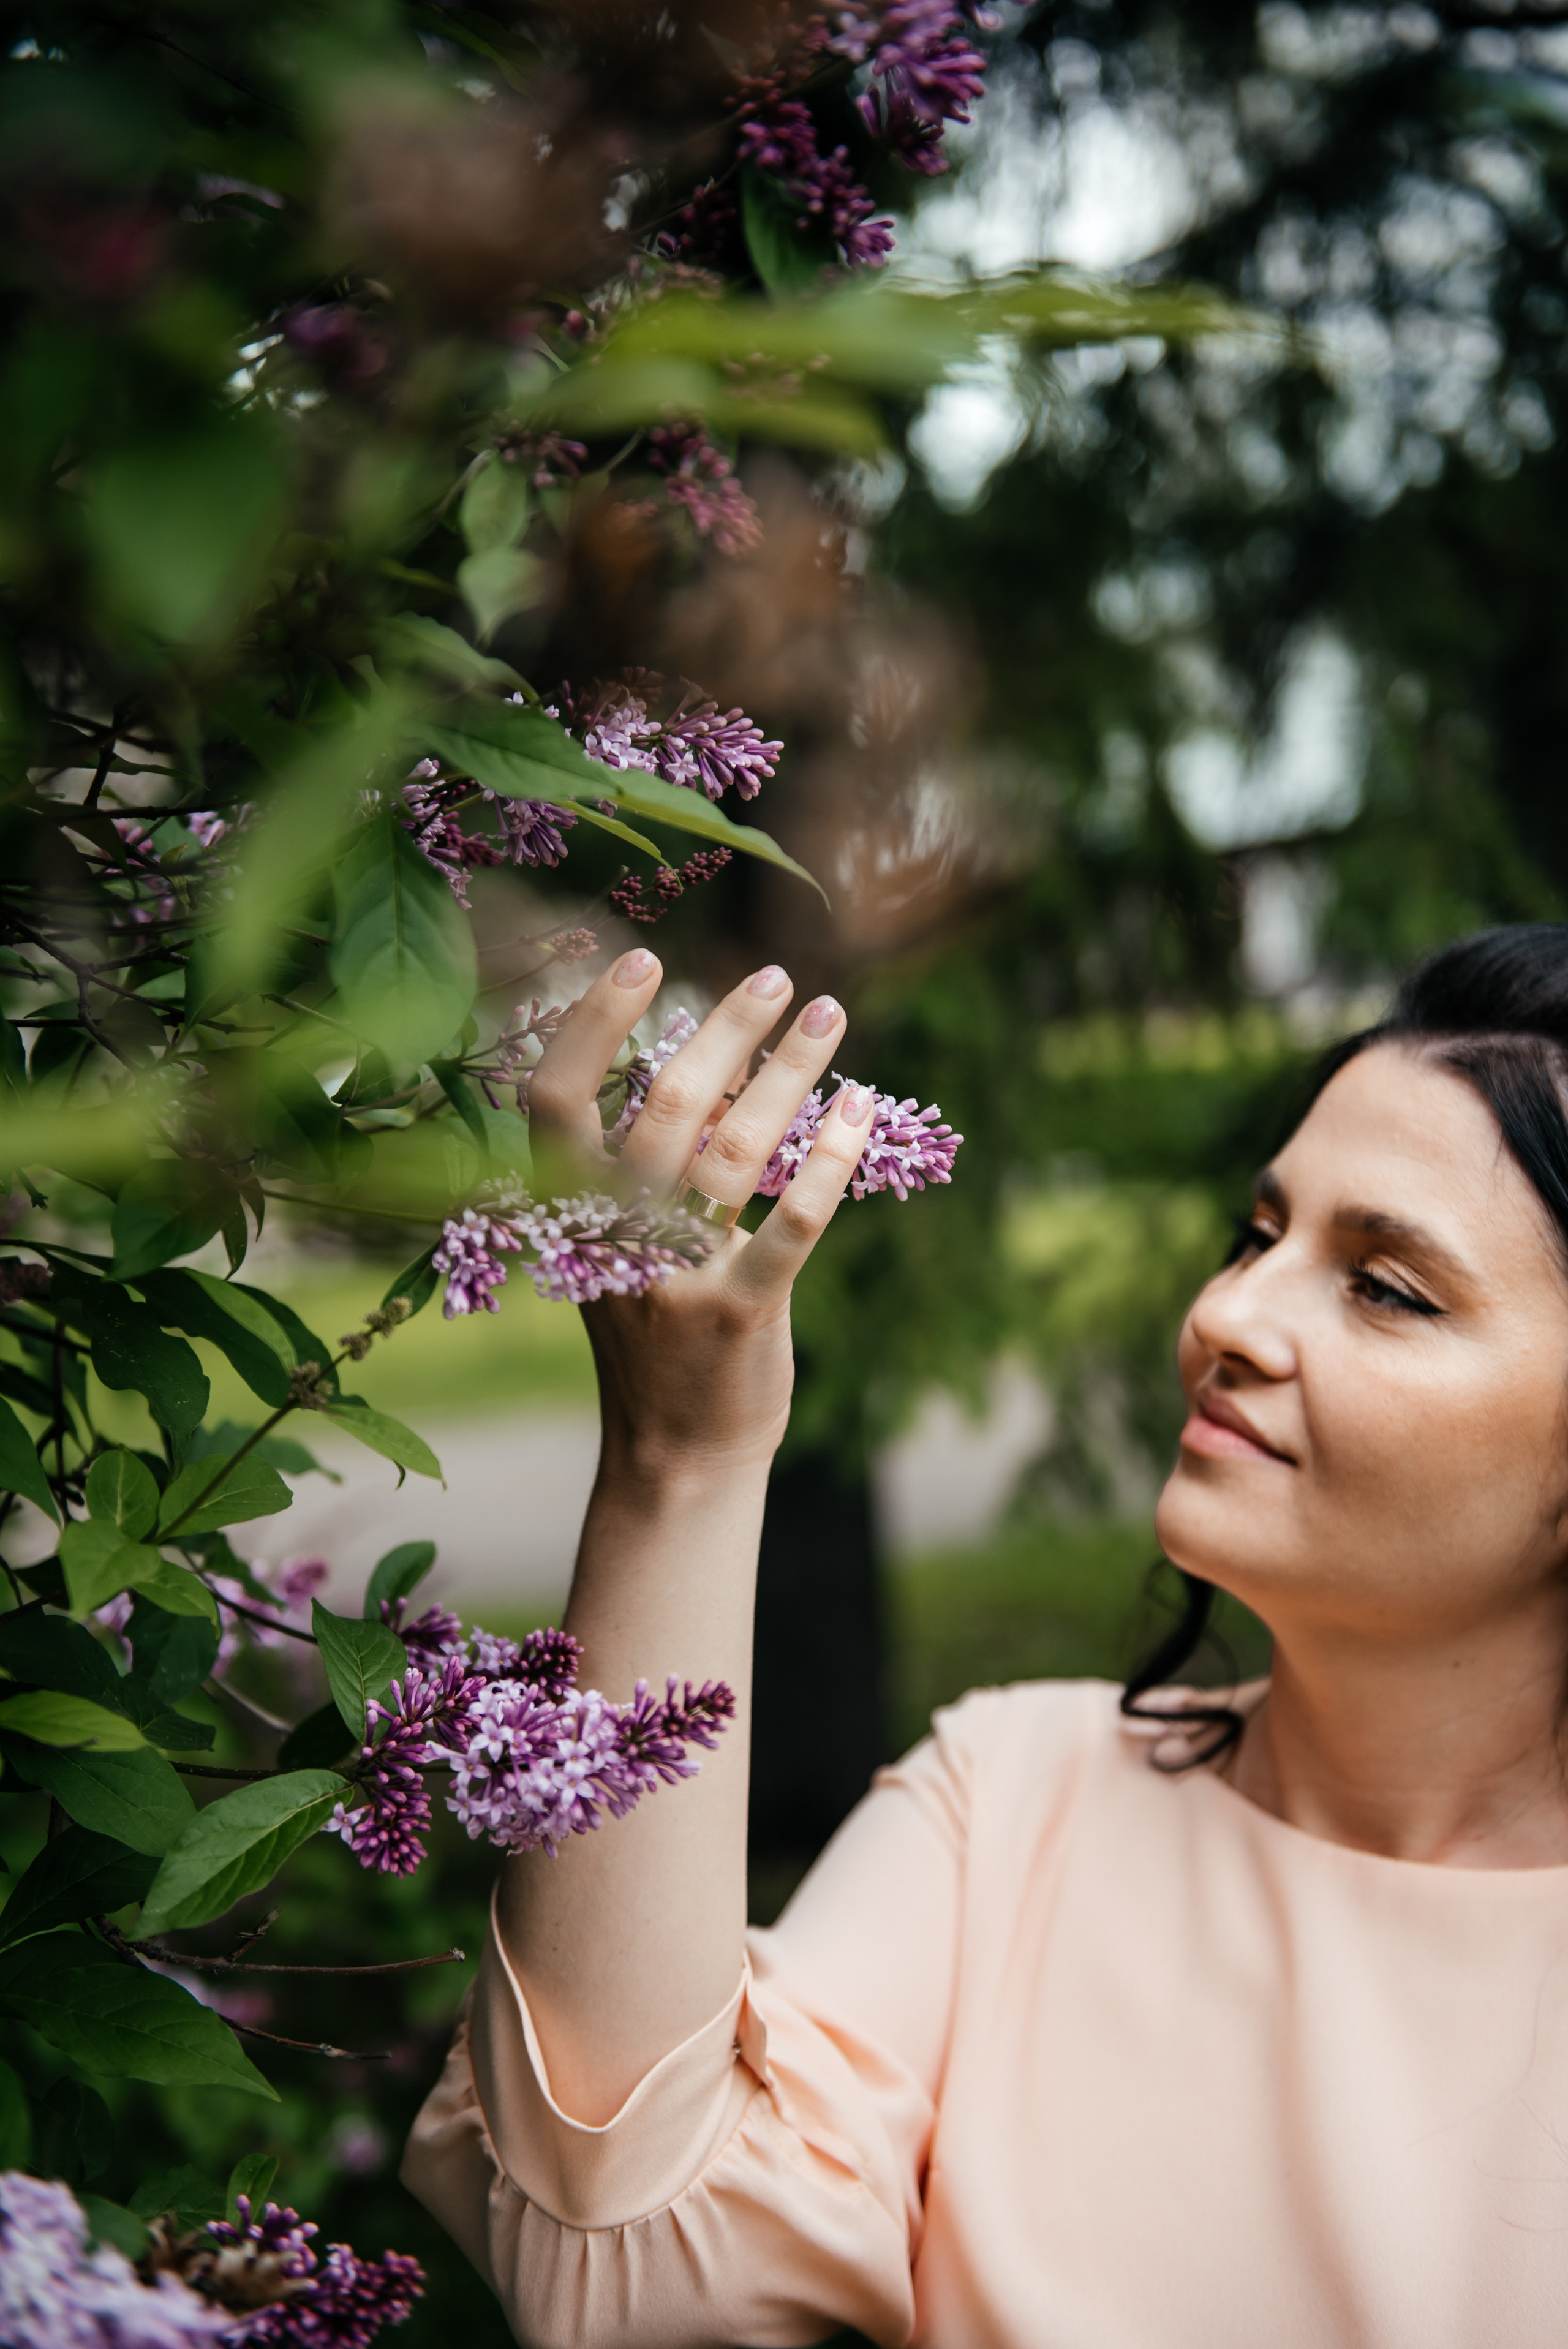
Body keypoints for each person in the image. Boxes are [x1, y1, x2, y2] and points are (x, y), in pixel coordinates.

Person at [404, 925, 1568, 2348]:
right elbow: (613, 2277)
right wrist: (681, 1462)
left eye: (1385, 1287)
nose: (1226, 1316)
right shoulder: (1015, 1797)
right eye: (1256, 1236)